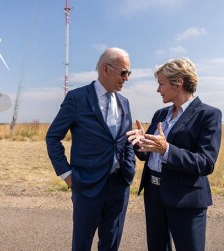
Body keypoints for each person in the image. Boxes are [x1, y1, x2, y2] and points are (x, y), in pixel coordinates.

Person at [126, 58, 222, 251]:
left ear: (178, 83)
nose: (158, 90)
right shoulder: (160, 114)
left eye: (161, 84)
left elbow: (205, 163)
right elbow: (147, 155)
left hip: (185, 198)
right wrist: (140, 141)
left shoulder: (208, 114)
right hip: (154, 195)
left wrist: (166, 149)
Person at [46, 47, 136, 251]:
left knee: (111, 244)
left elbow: (125, 140)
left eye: (128, 73)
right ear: (106, 69)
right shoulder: (77, 98)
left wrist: (129, 167)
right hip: (87, 184)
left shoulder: (125, 102)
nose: (127, 78)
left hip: (119, 185)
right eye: (123, 73)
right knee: (82, 244)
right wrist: (67, 174)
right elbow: (53, 137)